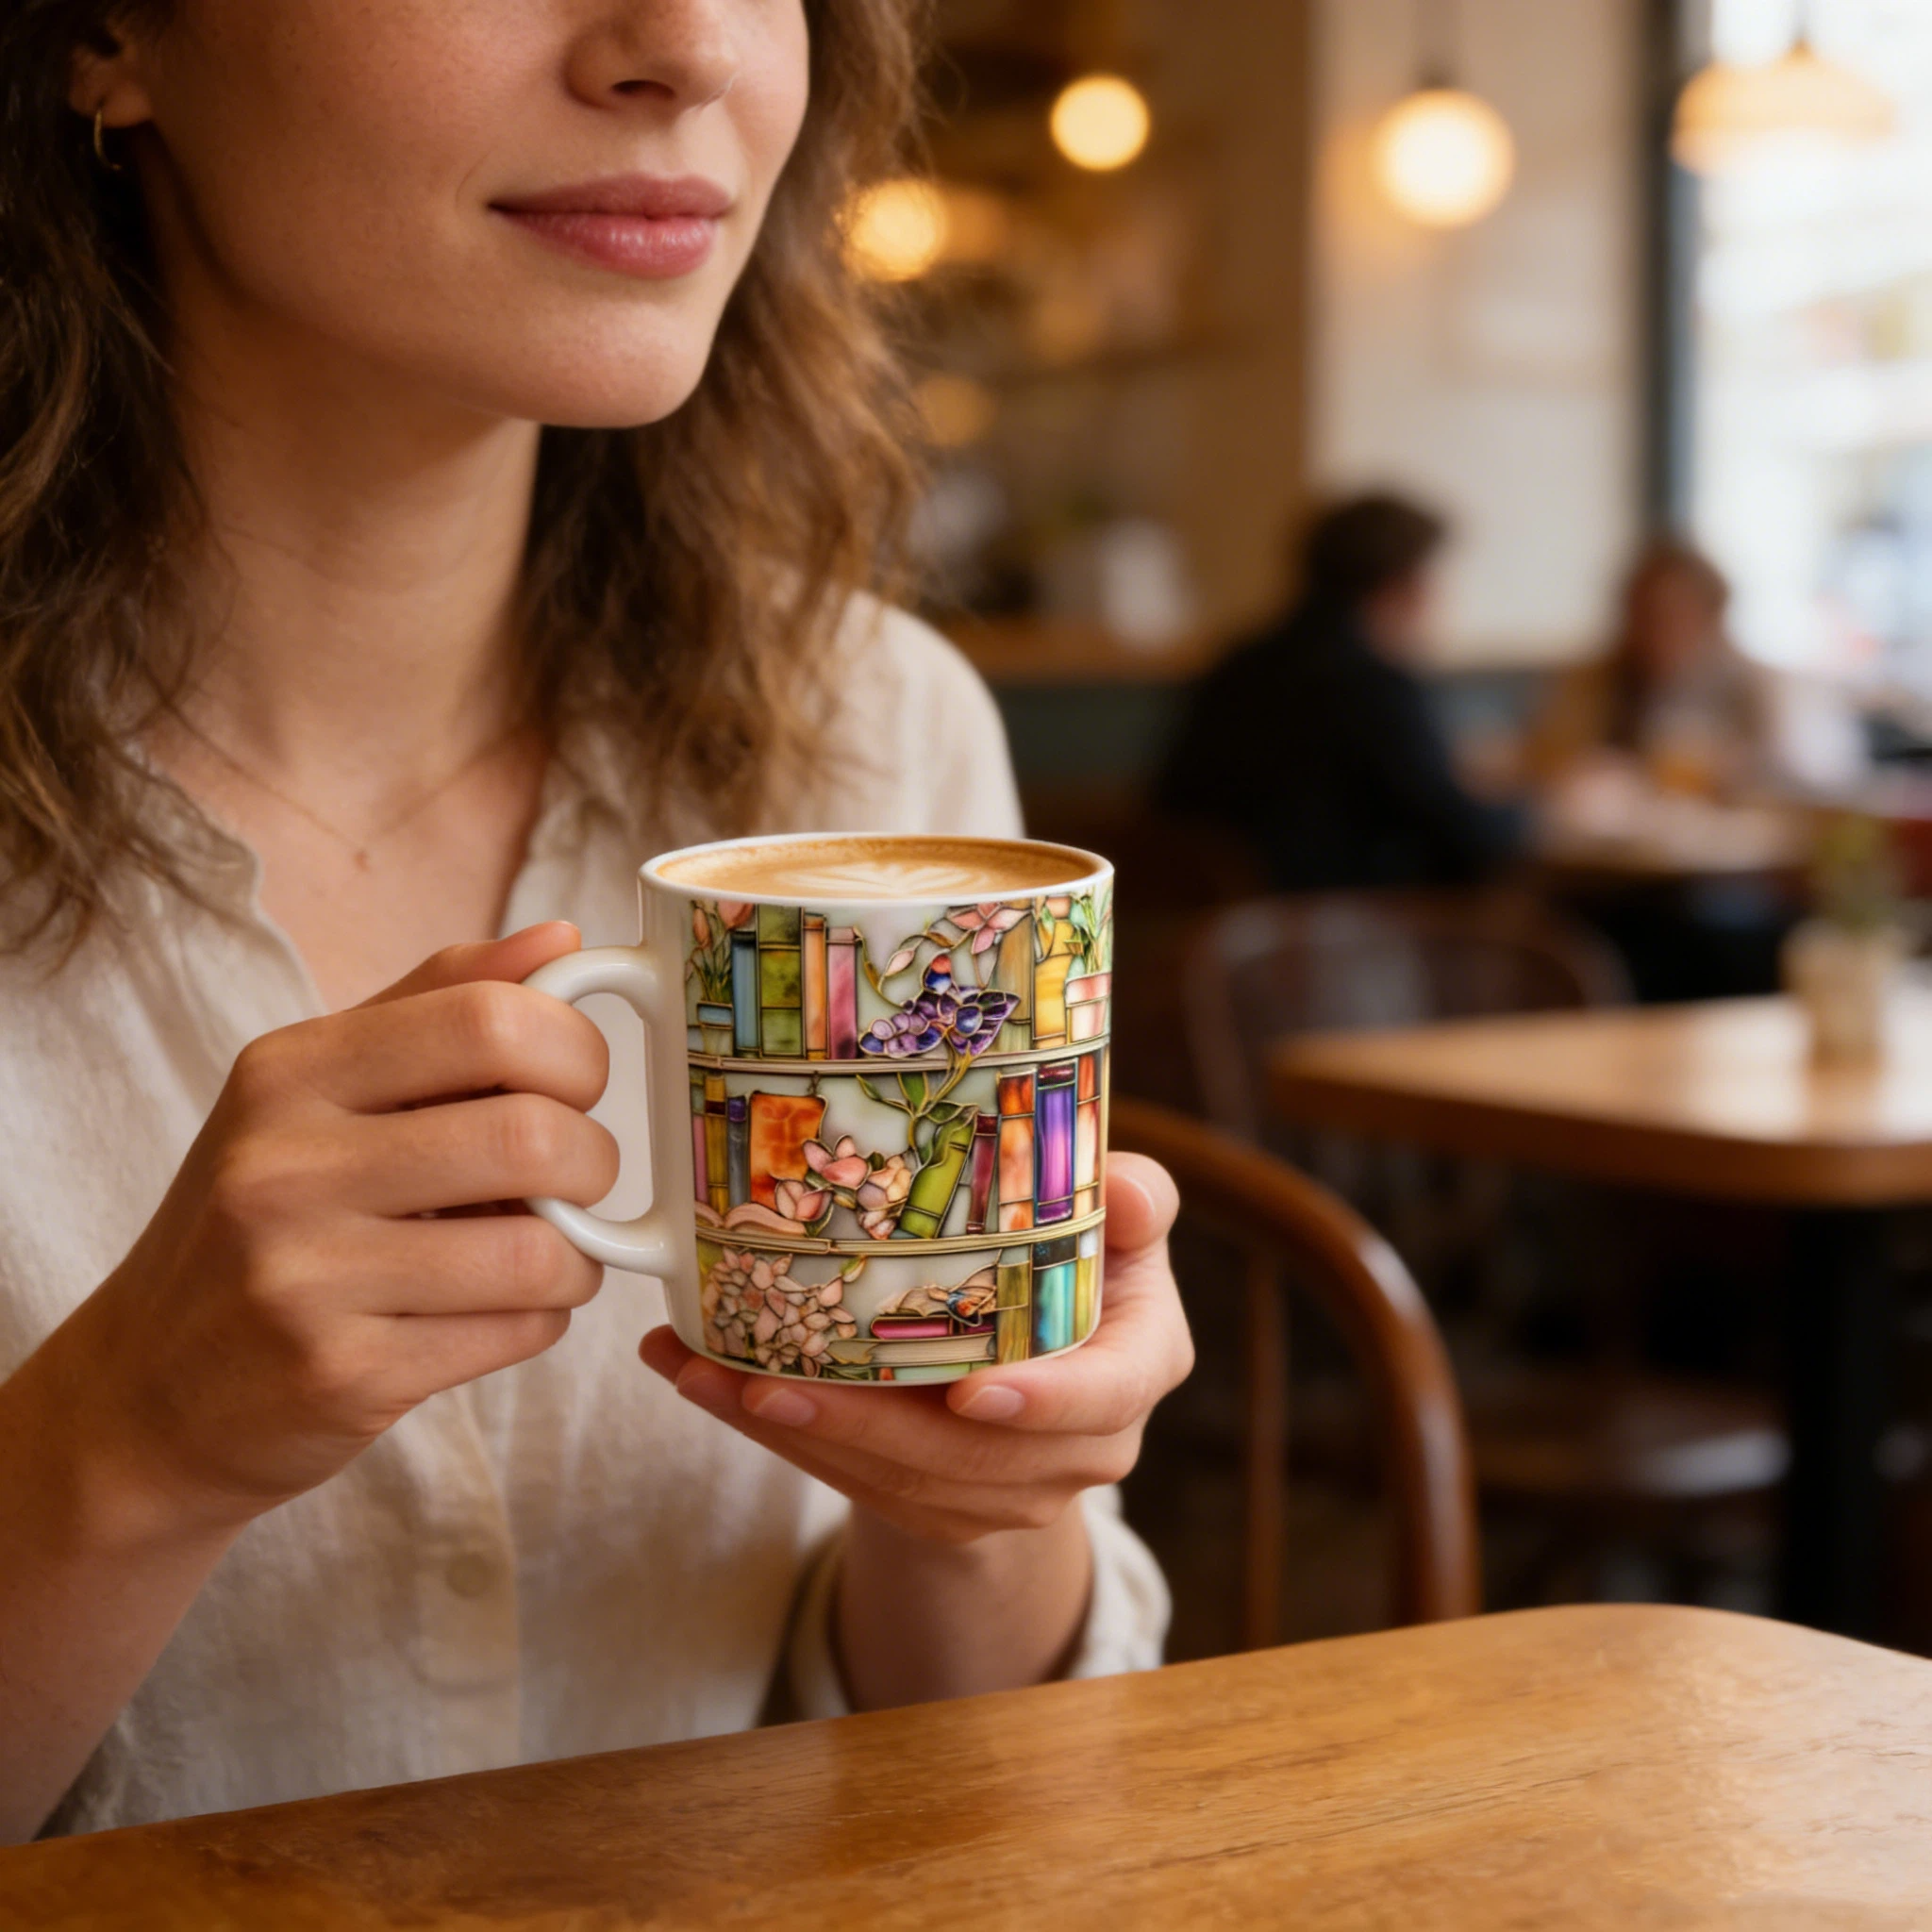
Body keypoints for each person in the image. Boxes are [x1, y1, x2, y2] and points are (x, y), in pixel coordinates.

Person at [0, 1, 1191, 1841]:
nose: (686, 45)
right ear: (107, 33)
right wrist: (117, 1454)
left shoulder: (873, 734)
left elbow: (992, 1822)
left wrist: (988, 1498)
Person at [1159, 492, 1523, 891]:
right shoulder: (1367, 683)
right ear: (1403, 585)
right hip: (1330, 928)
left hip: (1214, 927)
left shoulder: (1240, 663)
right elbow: (1466, 834)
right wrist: (1548, 811)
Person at [1527, 537, 1772, 798]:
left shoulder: (1747, 686)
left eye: (1679, 614)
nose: (1662, 631)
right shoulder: (1591, 683)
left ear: (1712, 617)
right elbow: (1546, 760)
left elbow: (1772, 773)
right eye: (1648, 614)